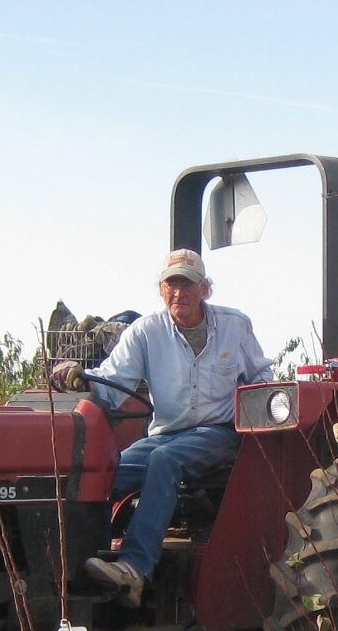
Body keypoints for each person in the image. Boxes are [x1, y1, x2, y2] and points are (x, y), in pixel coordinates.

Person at [52, 249, 270, 605]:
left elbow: (262, 378)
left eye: (187, 284)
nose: (179, 293)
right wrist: (80, 379)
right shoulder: (145, 332)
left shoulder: (234, 325)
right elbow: (111, 383)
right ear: (161, 289)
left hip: (218, 433)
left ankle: (135, 568)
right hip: (167, 432)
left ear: (205, 289)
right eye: (171, 284)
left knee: (165, 461)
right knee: (106, 471)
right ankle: (83, 565)